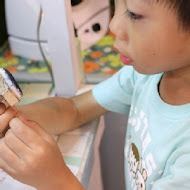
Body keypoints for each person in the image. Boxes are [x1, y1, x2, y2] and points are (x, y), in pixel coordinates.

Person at [0, 0, 190, 189]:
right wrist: (15, 118)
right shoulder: (145, 76)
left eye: (134, 14)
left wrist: (56, 181)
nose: (113, 25)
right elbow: (74, 110)